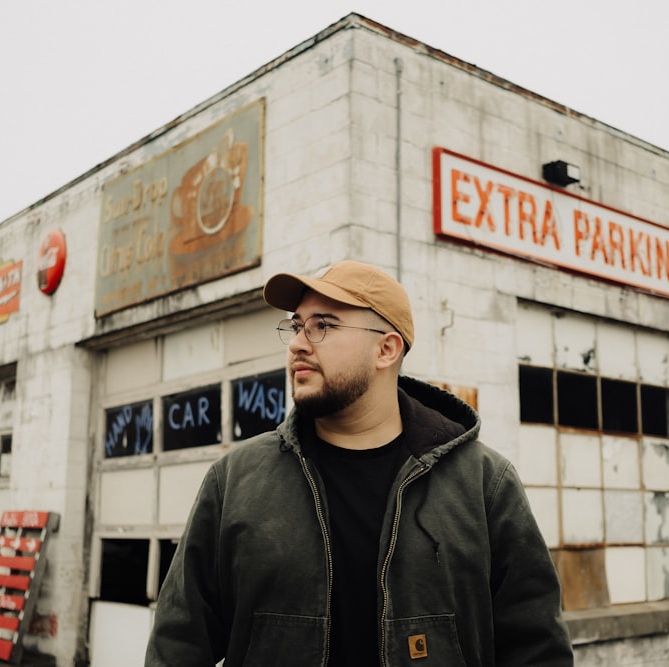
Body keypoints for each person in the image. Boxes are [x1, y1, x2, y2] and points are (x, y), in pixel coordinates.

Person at [145, 260, 573, 666]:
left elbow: (537, 649)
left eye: (323, 326)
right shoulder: (236, 479)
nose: (297, 344)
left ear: (386, 349)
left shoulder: (484, 484)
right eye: (297, 326)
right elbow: (178, 644)